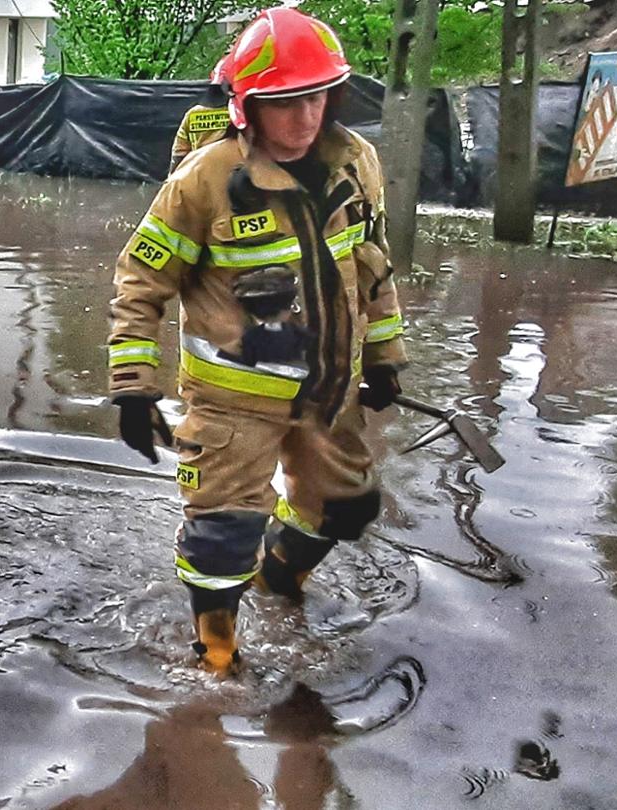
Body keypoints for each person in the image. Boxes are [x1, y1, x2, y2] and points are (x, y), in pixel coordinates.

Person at [104, 7, 407, 676]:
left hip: (329, 393)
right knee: (220, 539)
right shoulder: (203, 181)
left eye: (316, 96)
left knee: (348, 509)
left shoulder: (358, 163)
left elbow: (374, 265)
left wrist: (385, 358)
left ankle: (279, 580)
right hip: (231, 404)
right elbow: (141, 282)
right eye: (285, 102)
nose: (303, 117)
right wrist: (133, 386)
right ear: (248, 106)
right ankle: (216, 656)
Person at [168, 58, 235, 173]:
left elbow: (179, 153)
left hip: (199, 175)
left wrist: (172, 179)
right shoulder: (238, 113)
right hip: (232, 176)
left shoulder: (193, 114)